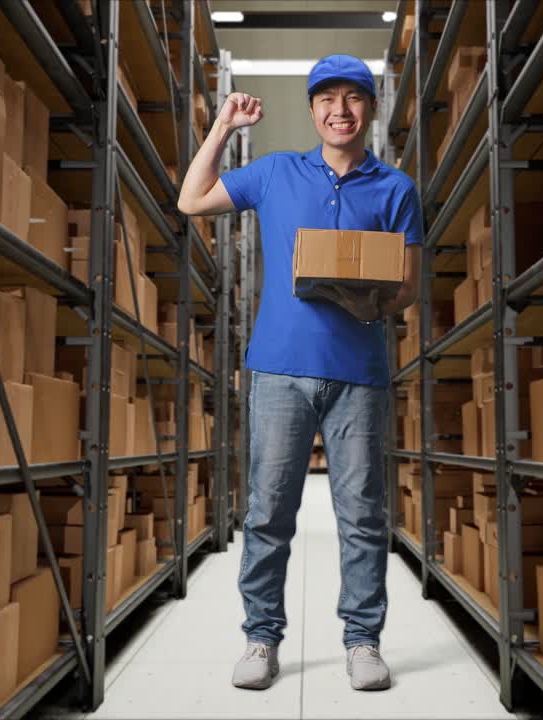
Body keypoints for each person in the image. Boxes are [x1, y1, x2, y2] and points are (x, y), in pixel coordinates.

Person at [177, 54, 422, 691]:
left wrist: (365, 292)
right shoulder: (276, 173)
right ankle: (261, 640)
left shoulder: (396, 189)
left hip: (359, 374)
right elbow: (190, 200)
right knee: (266, 513)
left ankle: (363, 642)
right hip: (279, 369)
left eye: (354, 98)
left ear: (369, 109)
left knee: (364, 516)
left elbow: (407, 292)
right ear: (313, 109)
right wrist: (223, 128)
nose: (340, 110)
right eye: (327, 99)